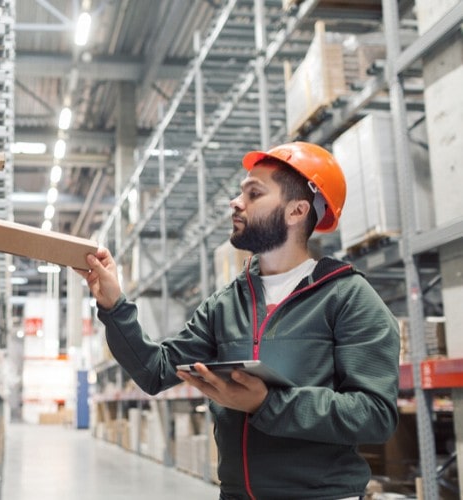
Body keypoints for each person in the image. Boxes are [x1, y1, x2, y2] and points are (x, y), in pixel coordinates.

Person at [79, 142, 400, 500]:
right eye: (240, 191)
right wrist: (113, 305)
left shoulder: (347, 297)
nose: (236, 201)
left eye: (253, 193)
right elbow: (155, 371)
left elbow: (375, 415)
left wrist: (266, 404)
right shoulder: (226, 304)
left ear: (296, 211)